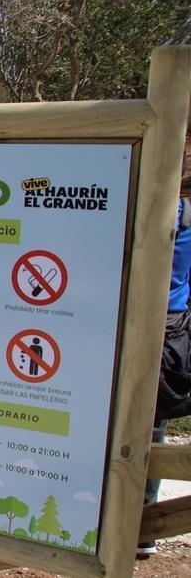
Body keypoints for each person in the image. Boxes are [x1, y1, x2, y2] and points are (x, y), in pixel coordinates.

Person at [140, 195, 191, 557]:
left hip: (126, 319)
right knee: (150, 424)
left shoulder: (131, 195)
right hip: (170, 325)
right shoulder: (186, 213)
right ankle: (143, 524)